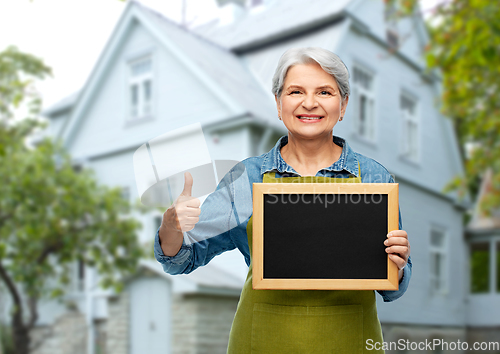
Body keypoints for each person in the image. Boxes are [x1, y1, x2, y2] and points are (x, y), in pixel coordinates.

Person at [154, 47, 412, 353]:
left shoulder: (373, 177)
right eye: (296, 91)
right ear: (278, 104)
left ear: (343, 106)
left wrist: (396, 265)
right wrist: (172, 226)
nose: (310, 103)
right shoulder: (246, 178)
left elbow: (394, 287)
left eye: (325, 92)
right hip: (261, 341)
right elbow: (182, 259)